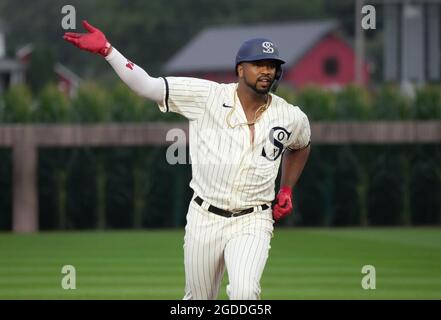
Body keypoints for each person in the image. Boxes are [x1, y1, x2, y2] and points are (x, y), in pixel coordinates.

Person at [63, 21, 311, 300]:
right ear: (240, 69)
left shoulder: (290, 116)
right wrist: (108, 51)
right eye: (259, 63)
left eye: (273, 65)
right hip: (204, 217)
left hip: (254, 219)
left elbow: (301, 145)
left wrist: (286, 188)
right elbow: (148, 87)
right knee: (198, 299)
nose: (267, 70)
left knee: (244, 292)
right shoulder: (207, 96)